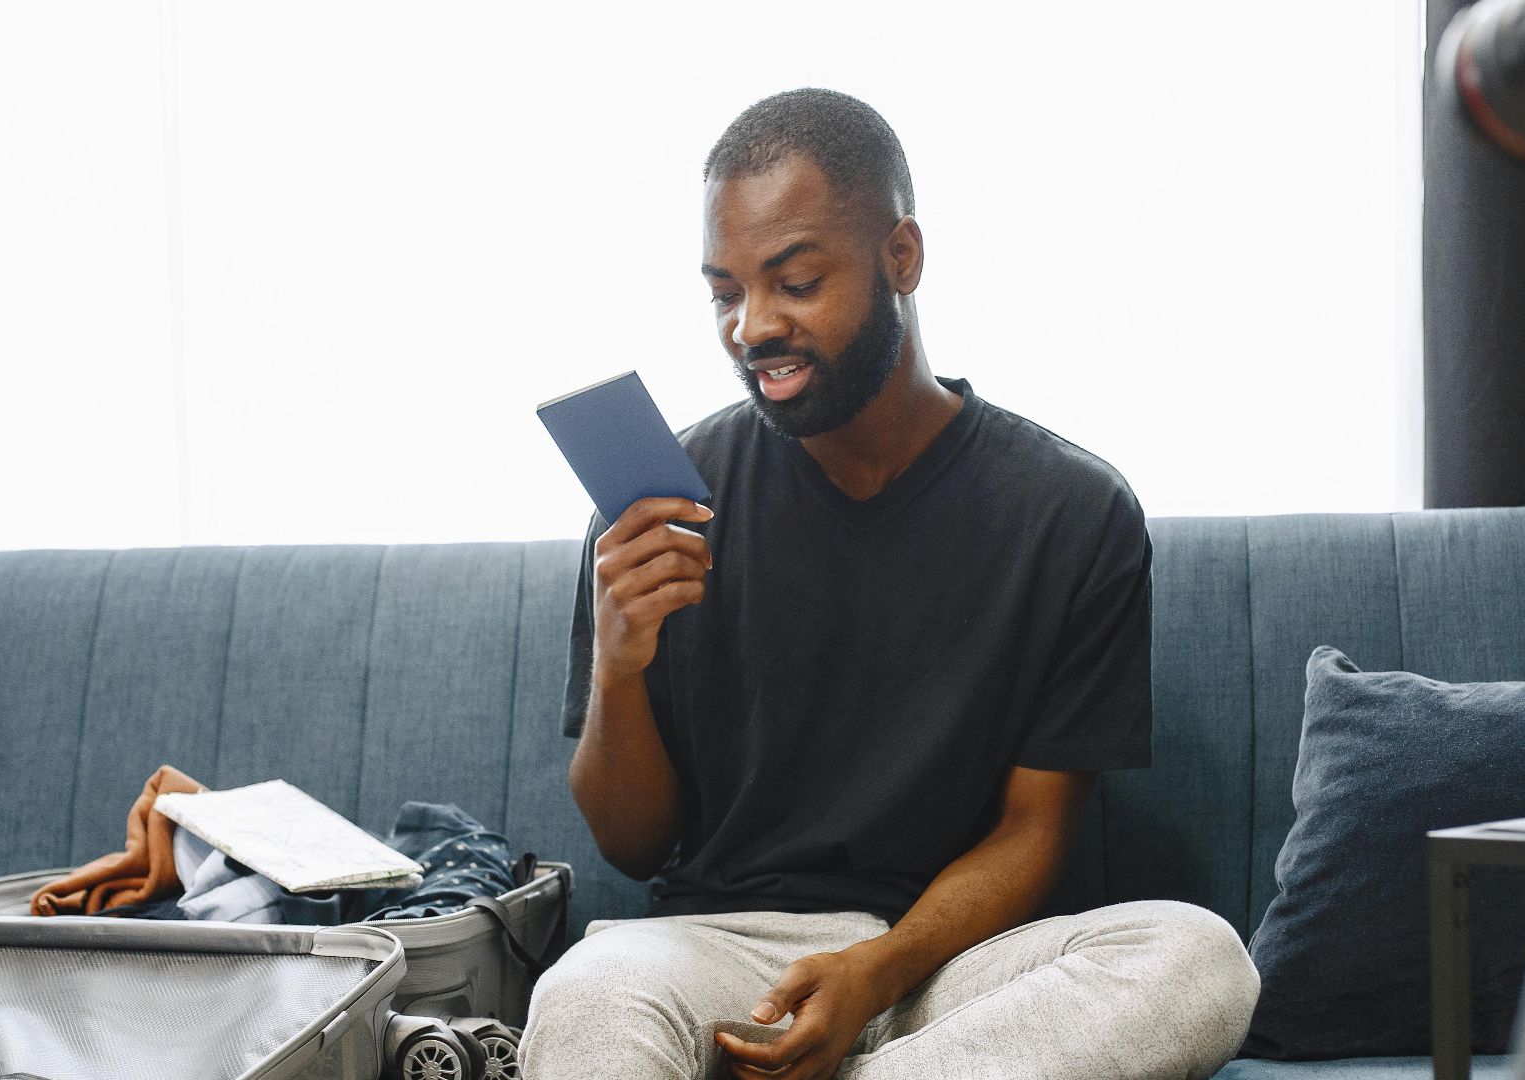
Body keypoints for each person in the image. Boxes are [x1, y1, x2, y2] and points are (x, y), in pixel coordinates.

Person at [519, 88, 1259, 1080]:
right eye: (725, 293)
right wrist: (619, 668)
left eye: (796, 280)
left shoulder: (1070, 512)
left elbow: (1034, 833)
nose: (752, 327)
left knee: (1197, 960)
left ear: (901, 258)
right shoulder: (662, 509)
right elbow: (632, 843)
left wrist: (873, 972)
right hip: (719, 951)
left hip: (950, 967)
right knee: (585, 995)